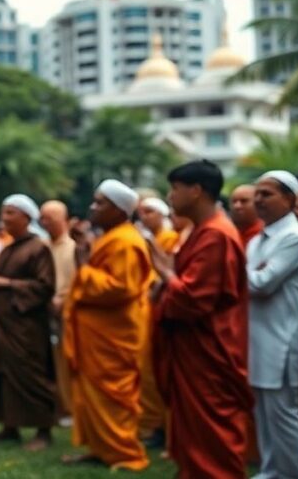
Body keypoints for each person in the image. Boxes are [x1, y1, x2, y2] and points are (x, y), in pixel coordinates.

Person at [149, 160, 254, 478]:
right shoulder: (202, 231)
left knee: (212, 429)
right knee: (193, 428)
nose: (170, 196)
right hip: (193, 348)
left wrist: (166, 274)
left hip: (210, 348)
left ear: (196, 191)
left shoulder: (216, 235)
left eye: (175, 189)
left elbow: (193, 300)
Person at [62, 180, 151, 471]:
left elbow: (120, 288)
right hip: (98, 333)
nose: (93, 207)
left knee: (113, 394)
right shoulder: (111, 237)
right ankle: (101, 449)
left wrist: (83, 262)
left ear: (119, 211)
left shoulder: (126, 241)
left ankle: (125, 454)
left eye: (100, 203)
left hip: (114, 334)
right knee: (94, 394)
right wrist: (83, 252)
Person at [0, 195, 57, 452]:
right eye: (3, 212)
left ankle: (43, 430)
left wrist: (5, 283)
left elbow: (44, 286)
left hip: (24, 327)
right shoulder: (9, 249)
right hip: (0, 324)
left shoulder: (38, 248)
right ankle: (10, 426)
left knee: (30, 375)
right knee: (2, 373)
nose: (4, 218)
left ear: (26, 218)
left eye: (10, 213)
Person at [246, 171, 298, 479]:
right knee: (264, 413)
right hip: (259, 338)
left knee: (284, 414)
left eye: (267, 194)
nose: (258, 200)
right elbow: (252, 279)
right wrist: (251, 273)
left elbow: (260, 284)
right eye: (257, 193)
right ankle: (271, 472)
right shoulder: (257, 240)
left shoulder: (296, 238)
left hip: (284, 339)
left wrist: (240, 271)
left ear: (289, 199)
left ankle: (296, 474)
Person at [135, 196, 174, 446]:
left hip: (161, 305)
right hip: (146, 308)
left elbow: (166, 270)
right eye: (142, 212)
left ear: (162, 214)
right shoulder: (144, 239)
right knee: (147, 371)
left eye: (150, 211)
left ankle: (163, 427)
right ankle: (152, 425)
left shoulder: (169, 238)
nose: (144, 216)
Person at [38, 200, 76, 422]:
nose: (45, 223)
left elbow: (77, 282)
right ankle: (54, 405)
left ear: (64, 220)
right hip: (41, 309)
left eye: (50, 219)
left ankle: (68, 408)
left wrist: (62, 299)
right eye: (42, 218)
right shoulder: (41, 247)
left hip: (65, 312)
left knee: (64, 360)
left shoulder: (72, 248)